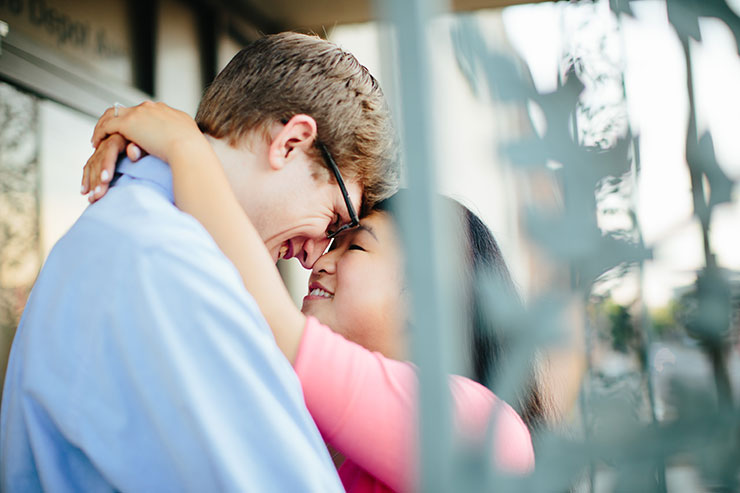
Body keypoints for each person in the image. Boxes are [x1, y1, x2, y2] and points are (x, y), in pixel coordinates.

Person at [0, 32, 398, 491]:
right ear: (290, 143)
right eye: (333, 221)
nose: (313, 256)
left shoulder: (139, 237)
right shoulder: (171, 267)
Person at [81, 102, 545, 492]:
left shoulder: (486, 430)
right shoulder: (323, 428)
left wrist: (183, 146)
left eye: (355, 244)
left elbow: (273, 324)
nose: (318, 260)